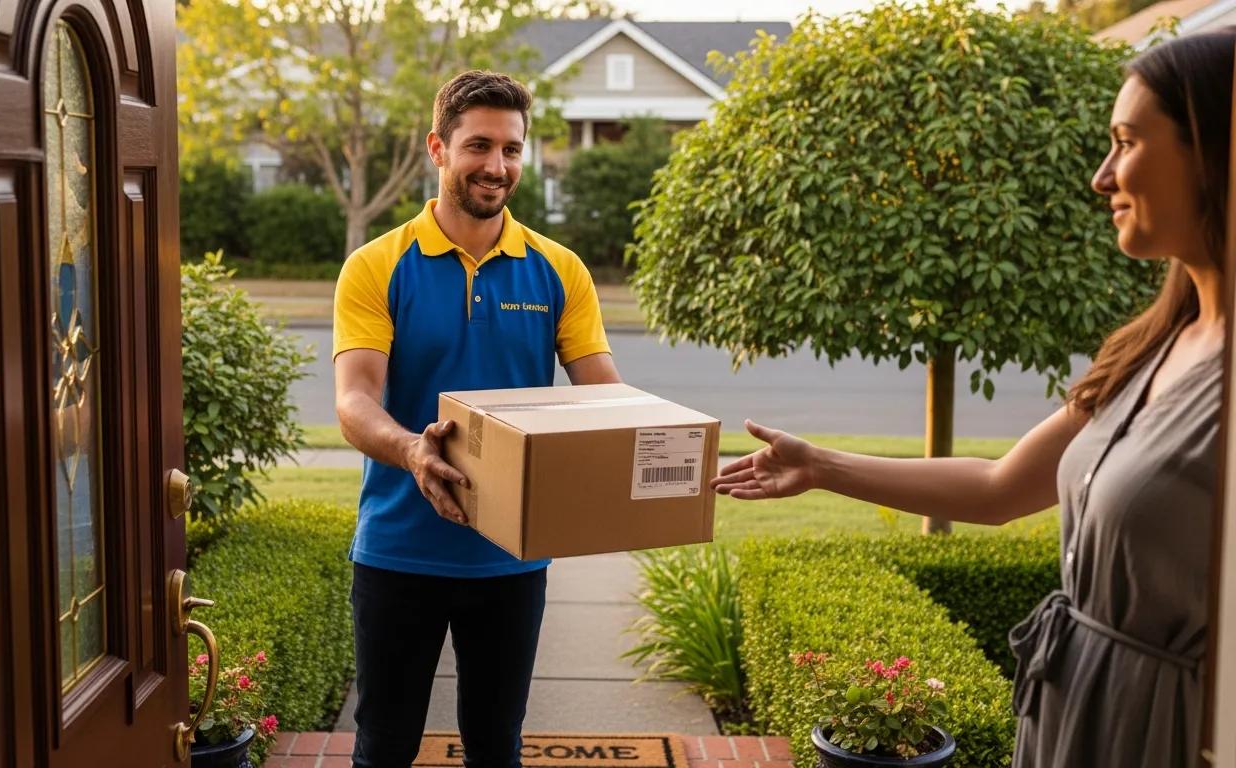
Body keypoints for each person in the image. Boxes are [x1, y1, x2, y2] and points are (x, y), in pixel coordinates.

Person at [710, 30, 1233, 767]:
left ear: (1215, 153)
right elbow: (998, 489)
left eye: (1125, 142)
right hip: (1073, 710)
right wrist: (820, 466)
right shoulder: (1151, 346)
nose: (1101, 176)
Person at [332, 70, 621, 767]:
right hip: (400, 548)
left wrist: (671, 456)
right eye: (479, 146)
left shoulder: (558, 270)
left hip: (511, 556)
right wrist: (411, 452)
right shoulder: (378, 265)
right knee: (384, 746)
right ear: (439, 147)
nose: (497, 166)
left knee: (497, 747)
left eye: (512, 150)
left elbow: (607, 401)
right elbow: (353, 401)